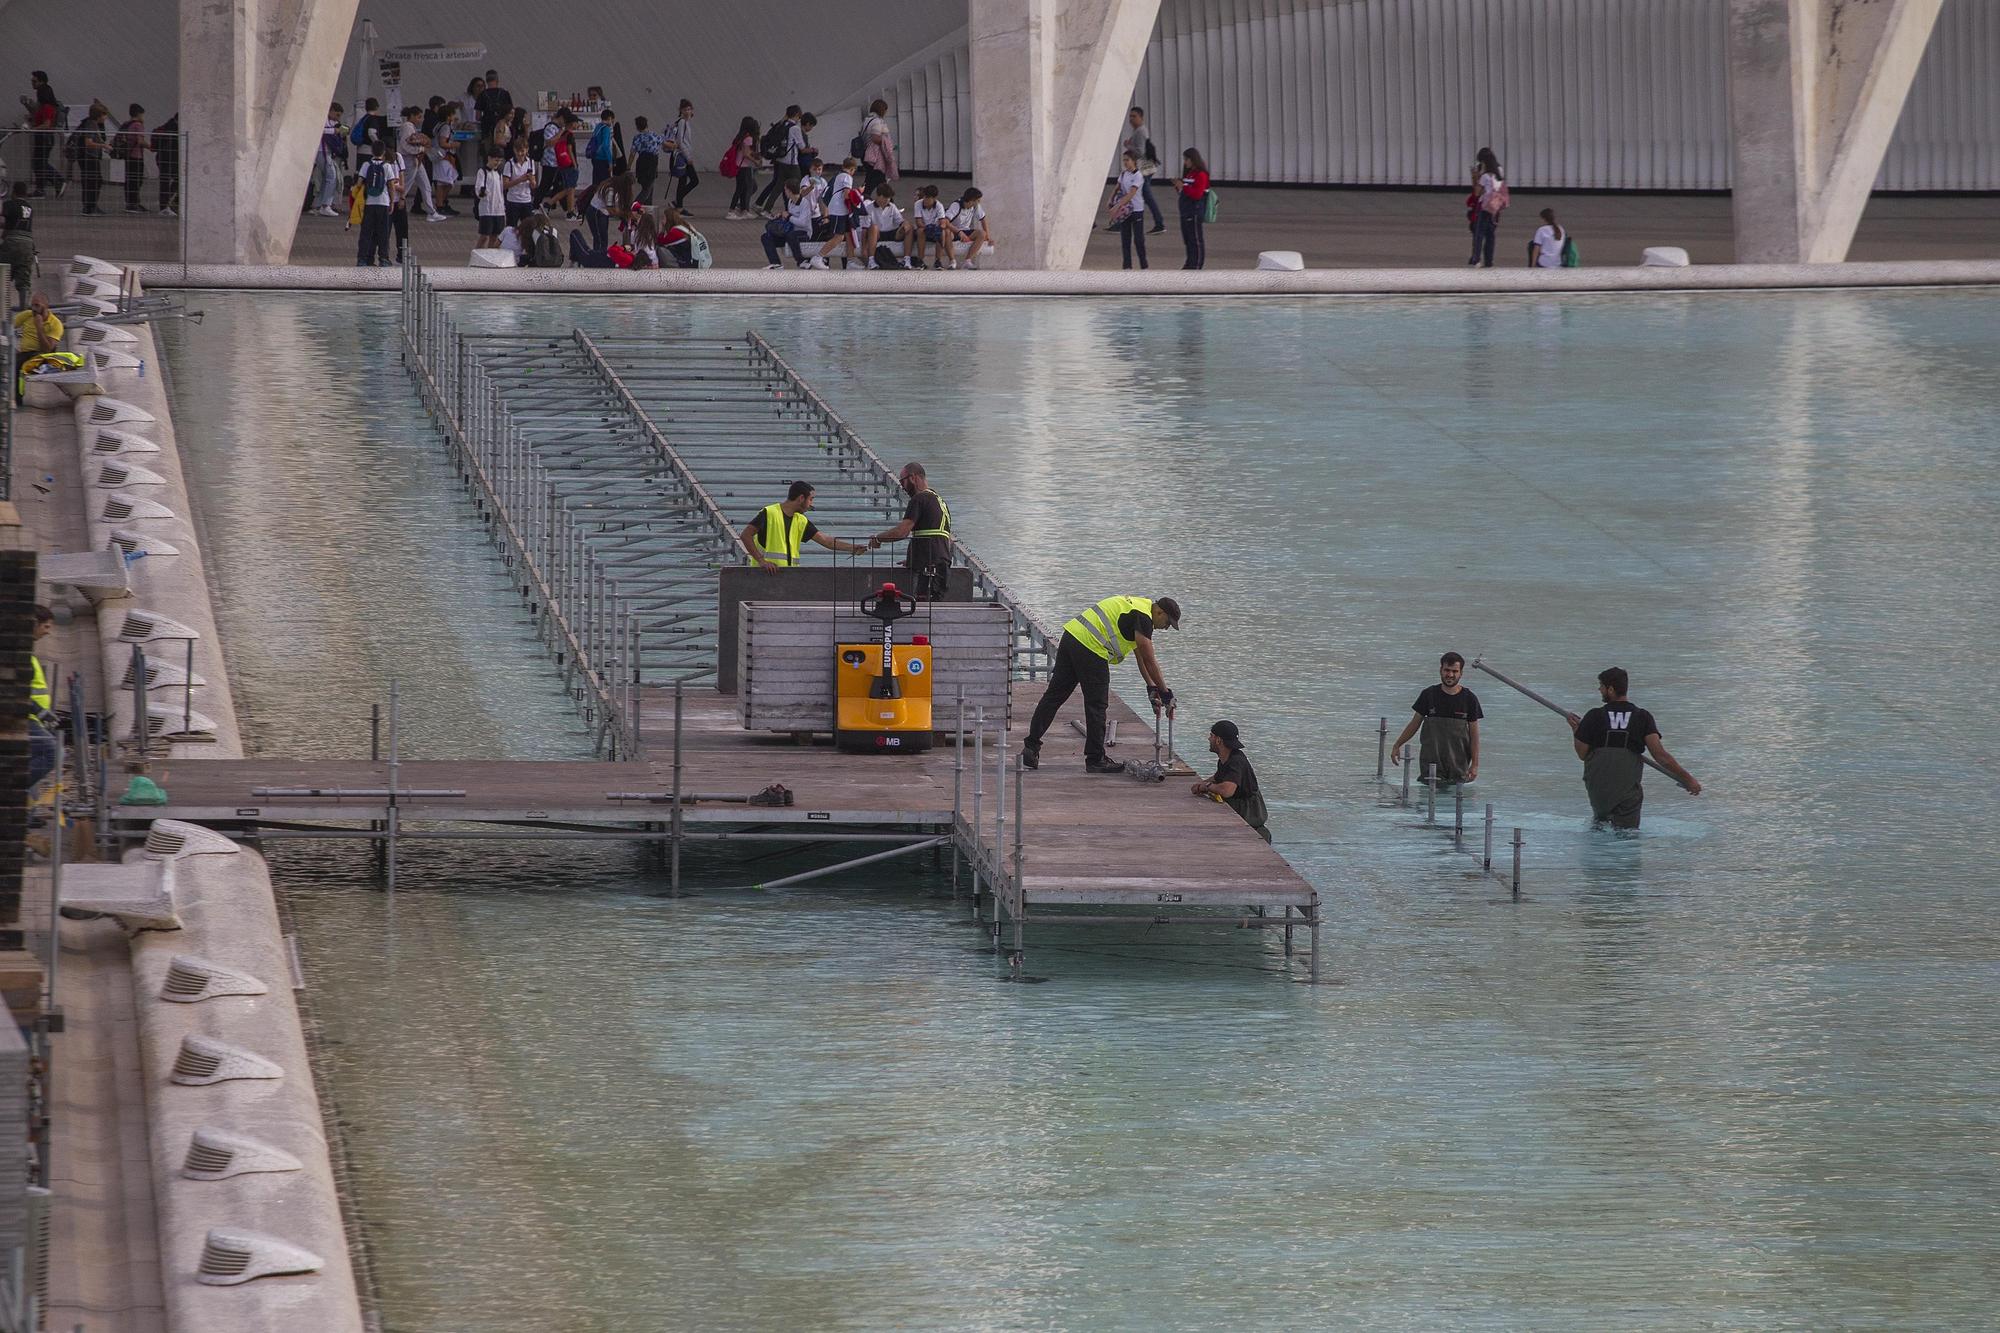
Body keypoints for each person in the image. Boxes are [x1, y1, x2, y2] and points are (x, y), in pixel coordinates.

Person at [1022, 595, 1183, 775]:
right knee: (1097, 705)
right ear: (1159, 611)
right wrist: (1166, 693)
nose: (1167, 628)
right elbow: (1150, 660)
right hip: (1091, 647)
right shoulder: (1144, 618)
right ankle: (1096, 759)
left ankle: (1031, 747)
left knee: (1054, 697)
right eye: (1167, 622)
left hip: (1072, 637)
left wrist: (1151, 688)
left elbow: (1141, 659)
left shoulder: (1137, 608)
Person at [1565, 667, 1701, 830]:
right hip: (1626, 794)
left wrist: (1576, 731)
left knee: (1601, 829)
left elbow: (1582, 754)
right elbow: (1661, 756)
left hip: (1599, 792)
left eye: (1601, 686)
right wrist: (1688, 779)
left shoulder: (1594, 716)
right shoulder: (1642, 717)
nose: (1599, 690)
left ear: (1611, 689)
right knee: (1626, 836)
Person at [1388, 652, 1483, 786]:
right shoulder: (1428, 695)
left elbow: (1474, 735)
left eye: (1454, 671)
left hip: (1458, 766)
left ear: (1461, 673)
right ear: (1441, 670)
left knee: (1455, 803)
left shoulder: (1469, 699)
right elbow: (1414, 724)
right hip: (1430, 765)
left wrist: (1475, 765)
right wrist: (1397, 744)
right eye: (1447, 670)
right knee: (1428, 801)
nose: (1450, 675)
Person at [741, 481, 870, 569]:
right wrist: (761, 561)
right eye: (810, 499)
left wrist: (852, 548)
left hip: (789, 576)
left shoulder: (800, 520)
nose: (811, 504)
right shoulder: (769, 513)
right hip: (765, 575)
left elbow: (826, 541)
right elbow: (746, 535)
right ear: (801, 498)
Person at [866, 463, 951, 596]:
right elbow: (939, 536)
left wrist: (878, 538)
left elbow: (902, 532)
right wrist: (915, 558)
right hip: (940, 565)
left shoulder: (919, 499)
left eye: (902, 481)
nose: (902, 486)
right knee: (933, 606)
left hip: (929, 567)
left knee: (924, 607)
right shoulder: (938, 500)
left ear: (913, 478)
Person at [1192, 720, 1270, 843]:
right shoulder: (1225, 759)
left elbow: (1227, 790)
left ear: (1218, 740)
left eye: (1211, 736)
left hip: (1249, 820)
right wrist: (1199, 785)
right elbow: (1218, 777)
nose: (1208, 739)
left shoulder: (1236, 761)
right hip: (1242, 815)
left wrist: (1207, 786)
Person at [810, 158, 864, 269]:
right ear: (853, 169)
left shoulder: (838, 175)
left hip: (839, 210)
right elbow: (846, 195)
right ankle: (818, 257)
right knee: (839, 237)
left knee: (849, 235)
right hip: (839, 211)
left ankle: (850, 261)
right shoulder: (847, 177)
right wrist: (859, 192)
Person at [1119, 107, 1165, 233]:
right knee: (1144, 195)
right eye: (1130, 116)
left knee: (1137, 194)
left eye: (1134, 116)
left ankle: (1158, 222)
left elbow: (1140, 152)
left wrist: (1128, 146)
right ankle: (1159, 222)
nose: (1131, 119)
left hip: (1143, 168)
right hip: (1146, 168)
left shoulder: (1140, 131)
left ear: (1141, 117)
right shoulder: (1140, 131)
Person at [27, 606, 58, 794]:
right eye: (45, 626)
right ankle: (11, 791)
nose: (48, 631)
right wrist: (38, 710)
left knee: (28, 758)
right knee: (51, 753)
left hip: (31, 718)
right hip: (23, 718)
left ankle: (24, 810)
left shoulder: (28, 655)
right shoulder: (20, 656)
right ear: (34, 624)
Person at [755, 105, 806, 215]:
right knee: (798, 185)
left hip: (781, 160)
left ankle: (767, 209)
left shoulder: (782, 124)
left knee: (778, 187)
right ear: (797, 115)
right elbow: (802, 147)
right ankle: (798, 209)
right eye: (799, 116)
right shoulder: (795, 128)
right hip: (792, 163)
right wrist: (811, 149)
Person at [354, 150, 401, 267]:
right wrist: (392, 202)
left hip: (368, 203)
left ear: (372, 151)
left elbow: (359, 183)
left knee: (366, 232)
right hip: (383, 203)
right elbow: (391, 186)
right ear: (383, 153)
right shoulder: (387, 166)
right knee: (383, 232)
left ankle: (363, 259)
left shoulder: (366, 165)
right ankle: (383, 258)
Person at [13, 293, 61, 404]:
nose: (34, 309)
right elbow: (8, 326)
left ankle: (17, 398)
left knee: (17, 365)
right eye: (32, 306)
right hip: (24, 353)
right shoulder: (27, 315)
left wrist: (39, 327)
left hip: (41, 356)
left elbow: (48, 349)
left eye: (37, 305)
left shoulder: (55, 324)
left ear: (46, 306)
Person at [760, 177, 816, 268]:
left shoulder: (804, 203)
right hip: (789, 232)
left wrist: (789, 216)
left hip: (803, 234)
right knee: (766, 237)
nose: (784, 192)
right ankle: (776, 263)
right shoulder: (790, 201)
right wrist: (782, 215)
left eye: (785, 189)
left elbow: (803, 223)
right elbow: (790, 218)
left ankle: (801, 261)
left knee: (791, 235)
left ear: (789, 191)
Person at [398, 107, 442, 222]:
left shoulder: (411, 127)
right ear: (411, 115)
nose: (420, 120)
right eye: (418, 117)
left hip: (416, 159)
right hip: (410, 159)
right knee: (406, 184)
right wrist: (420, 149)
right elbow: (405, 145)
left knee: (425, 184)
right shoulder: (407, 127)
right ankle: (395, 203)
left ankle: (431, 211)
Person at [1108, 150, 1149, 270]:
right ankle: (1127, 266)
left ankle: (1144, 265)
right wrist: (1110, 200)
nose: (1125, 162)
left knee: (1138, 239)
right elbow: (1117, 187)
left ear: (1134, 161)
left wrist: (1117, 206)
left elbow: (1131, 193)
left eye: (1128, 160)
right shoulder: (1123, 174)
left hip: (1136, 210)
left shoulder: (1138, 176)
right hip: (1125, 211)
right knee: (1125, 239)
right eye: (1124, 160)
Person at [25, 72, 63, 197]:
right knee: (38, 162)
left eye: (34, 81)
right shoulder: (43, 106)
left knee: (39, 162)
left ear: (41, 82)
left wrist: (33, 129)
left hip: (45, 137)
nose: (32, 83)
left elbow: (47, 124)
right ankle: (40, 189)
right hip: (42, 136)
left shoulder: (47, 106)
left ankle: (58, 180)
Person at [859, 184, 910, 268]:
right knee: (874, 227)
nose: (887, 200)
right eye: (885, 197)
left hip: (891, 233)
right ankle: (871, 260)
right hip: (876, 235)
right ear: (878, 196)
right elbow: (864, 229)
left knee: (909, 226)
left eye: (889, 198)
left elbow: (900, 221)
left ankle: (907, 260)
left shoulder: (892, 206)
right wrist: (864, 248)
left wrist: (905, 224)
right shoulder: (869, 208)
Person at [74, 102, 111, 216]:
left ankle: (89, 206)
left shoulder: (89, 123)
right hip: (89, 156)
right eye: (104, 115)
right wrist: (103, 146)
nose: (105, 118)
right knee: (94, 181)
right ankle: (91, 206)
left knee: (90, 181)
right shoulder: (91, 124)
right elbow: (88, 142)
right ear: (99, 115)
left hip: (86, 156)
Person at [722, 116, 762, 220]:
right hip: (744, 167)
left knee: (744, 188)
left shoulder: (740, 137)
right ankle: (732, 211)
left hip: (739, 166)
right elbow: (746, 154)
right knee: (742, 189)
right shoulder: (748, 138)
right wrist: (756, 161)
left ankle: (744, 209)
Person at [2, 183, 35, 308]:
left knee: (3, 274)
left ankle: (2, 310)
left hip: (12, 242)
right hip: (28, 244)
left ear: (14, 192)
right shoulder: (29, 207)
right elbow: (16, 223)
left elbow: (7, 224)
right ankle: (24, 309)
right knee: (24, 279)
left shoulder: (10, 204)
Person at [1471, 147, 1505, 268]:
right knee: (1491, 234)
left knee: (1479, 234)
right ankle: (1489, 260)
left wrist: (1475, 177)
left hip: (1485, 207)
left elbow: (1477, 193)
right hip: (1496, 208)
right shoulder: (1499, 171)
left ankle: (1476, 259)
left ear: (1484, 161)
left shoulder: (1485, 176)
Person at [940, 187, 988, 269]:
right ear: (972, 200)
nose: (979, 202)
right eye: (978, 200)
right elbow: (946, 221)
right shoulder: (956, 205)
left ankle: (967, 261)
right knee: (947, 232)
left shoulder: (976, 206)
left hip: (966, 231)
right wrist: (959, 232)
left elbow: (983, 219)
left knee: (982, 233)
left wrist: (988, 237)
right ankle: (952, 261)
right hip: (954, 231)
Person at [1177, 147, 1209, 269]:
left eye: (1186, 159)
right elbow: (1186, 192)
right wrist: (1180, 187)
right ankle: (1189, 262)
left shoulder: (1201, 175)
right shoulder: (1190, 174)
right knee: (1188, 239)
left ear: (1192, 159)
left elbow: (1197, 194)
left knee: (1195, 239)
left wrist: (1184, 187)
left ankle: (1197, 264)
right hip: (1185, 211)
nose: (1185, 162)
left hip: (1194, 211)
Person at [859, 98, 898, 194]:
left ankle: (888, 201)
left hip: (866, 154)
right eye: (885, 110)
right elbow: (875, 138)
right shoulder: (877, 122)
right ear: (881, 109)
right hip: (874, 157)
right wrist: (886, 142)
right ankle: (863, 198)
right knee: (875, 180)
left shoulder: (867, 120)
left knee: (875, 179)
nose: (886, 112)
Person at [471, 150, 507, 248]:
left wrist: (503, 206)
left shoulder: (499, 173)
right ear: (489, 158)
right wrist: (483, 192)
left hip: (498, 210)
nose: (498, 163)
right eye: (496, 160)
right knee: (484, 236)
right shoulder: (482, 172)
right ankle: (476, 254)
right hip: (487, 209)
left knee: (495, 236)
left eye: (500, 161)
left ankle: (491, 256)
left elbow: (500, 190)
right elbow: (478, 188)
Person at [667, 100, 699, 211]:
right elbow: (680, 141)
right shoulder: (682, 122)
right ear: (681, 110)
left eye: (689, 109)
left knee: (683, 180)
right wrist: (688, 157)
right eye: (685, 109)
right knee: (694, 180)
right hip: (682, 156)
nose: (687, 111)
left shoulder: (685, 122)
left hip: (683, 155)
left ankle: (678, 205)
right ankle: (677, 202)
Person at [116, 105, 148, 212]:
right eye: (143, 115)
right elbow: (140, 141)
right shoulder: (138, 125)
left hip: (127, 156)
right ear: (139, 114)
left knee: (129, 180)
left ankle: (130, 203)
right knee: (137, 180)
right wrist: (151, 147)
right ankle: (134, 204)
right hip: (136, 156)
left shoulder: (125, 124)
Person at [502, 137, 540, 228]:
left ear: (527, 150)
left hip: (526, 200)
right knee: (511, 228)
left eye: (522, 151)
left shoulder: (531, 162)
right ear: (514, 150)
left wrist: (531, 180)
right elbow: (504, 185)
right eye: (517, 151)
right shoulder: (509, 164)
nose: (520, 154)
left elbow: (534, 185)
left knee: (528, 229)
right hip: (513, 201)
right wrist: (520, 179)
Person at [909, 184, 945, 269]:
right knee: (920, 231)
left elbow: (942, 222)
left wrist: (937, 228)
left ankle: (938, 261)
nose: (925, 200)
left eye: (928, 198)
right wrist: (927, 227)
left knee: (942, 232)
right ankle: (920, 260)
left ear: (934, 198)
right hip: (923, 229)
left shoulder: (939, 206)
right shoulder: (918, 204)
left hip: (935, 230)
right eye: (924, 197)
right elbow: (918, 222)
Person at [630, 116, 663, 205]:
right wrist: (675, 145)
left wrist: (628, 166)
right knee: (647, 190)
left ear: (637, 127)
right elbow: (665, 144)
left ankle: (648, 208)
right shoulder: (654, 136)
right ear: (647, 124)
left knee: (648, 187)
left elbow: (632, 153)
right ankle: (633, 207)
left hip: (641, 163)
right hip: (652, 163)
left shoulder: (637, 138)